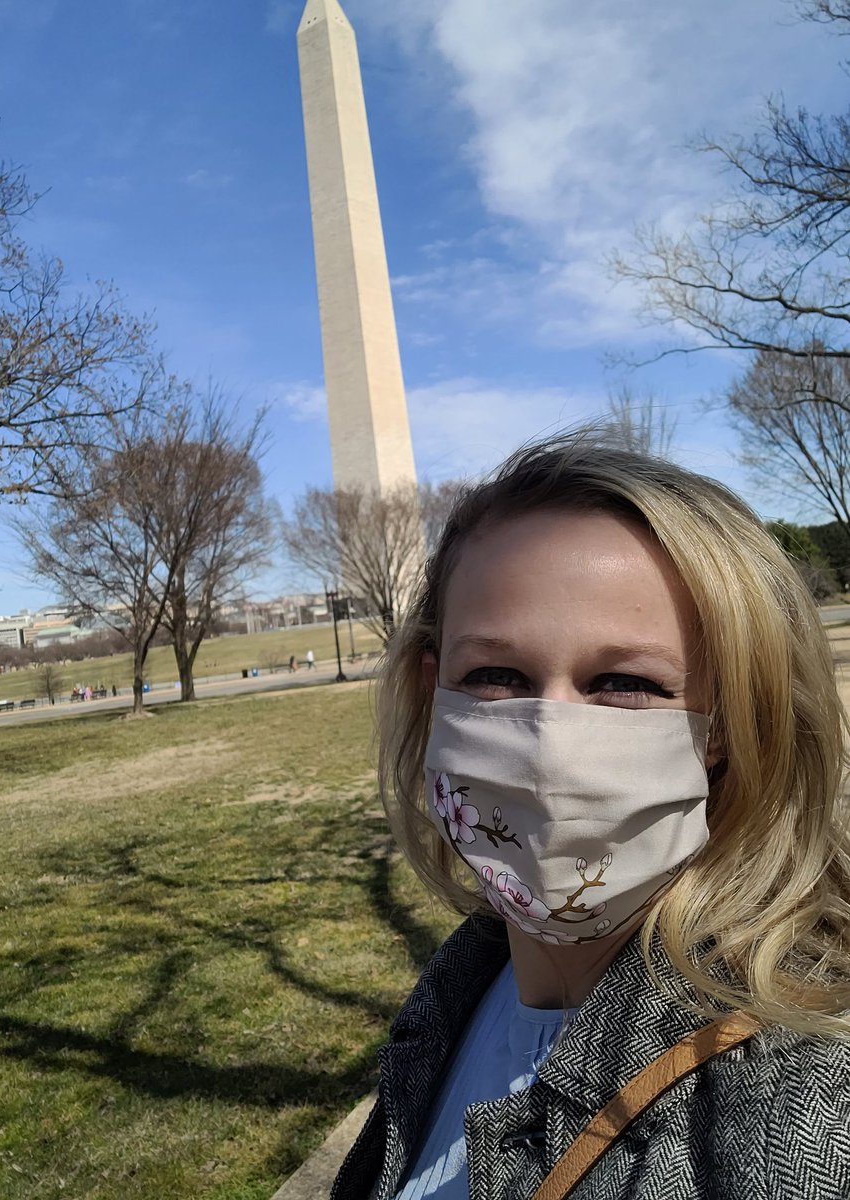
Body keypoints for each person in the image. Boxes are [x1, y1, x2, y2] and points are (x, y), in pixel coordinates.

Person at [333, 435, 850, 1200]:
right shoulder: (456, 993)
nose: (550, 746)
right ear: (432, 690)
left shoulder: (800, 1094)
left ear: (734, 725)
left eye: (624, 681)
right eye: (497, 675)